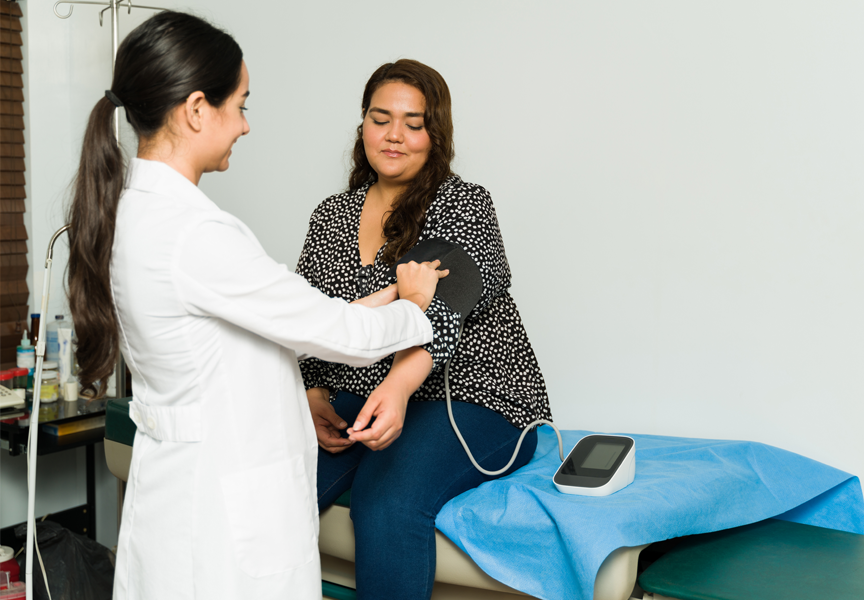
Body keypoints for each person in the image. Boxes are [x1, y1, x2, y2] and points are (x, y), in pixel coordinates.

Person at [65, 14, 446, 600]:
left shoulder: (131, 213)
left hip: (178, 497)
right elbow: (339, 332)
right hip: (223, 516)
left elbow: (270, 321)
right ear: (197, 109)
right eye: (240, 105)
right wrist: (415, 306)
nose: (244, 126)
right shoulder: (198, 233)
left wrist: (384, 296)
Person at [296, 59, 554, 599]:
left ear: (437, 136)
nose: (394, 136)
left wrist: (396, 387)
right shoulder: (331, 217)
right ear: (361, 124)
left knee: (386, 499)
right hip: (369, 394)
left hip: (475, 398)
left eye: (414, 123)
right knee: (278, 481)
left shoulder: (465, 204)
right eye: (380, 118)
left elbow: (446, 308)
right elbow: (313, 313)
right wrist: (316, 391)